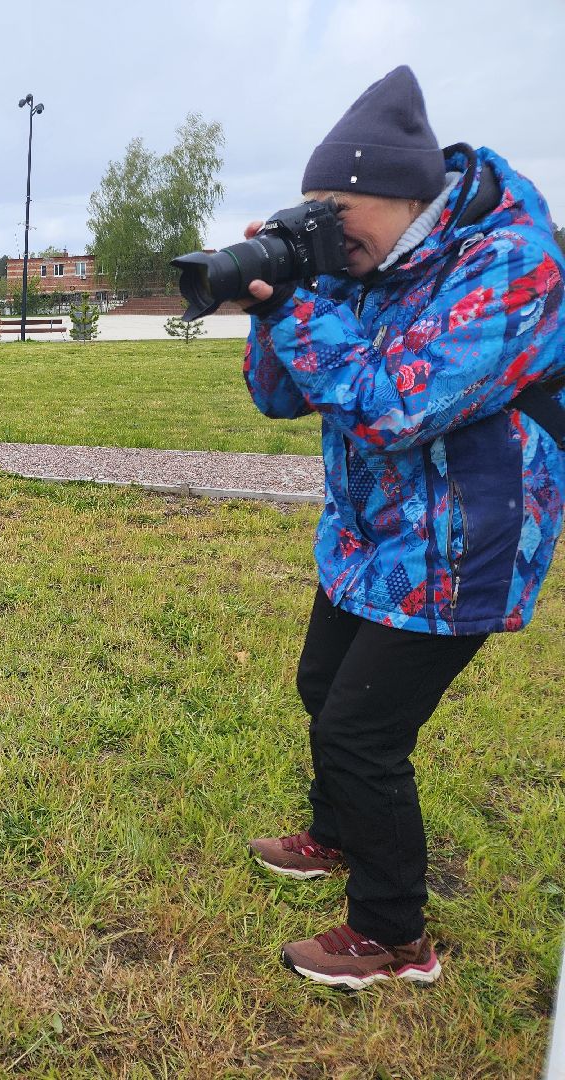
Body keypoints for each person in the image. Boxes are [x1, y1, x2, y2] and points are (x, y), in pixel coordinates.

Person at [241, 66, 565, 989]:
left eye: (333, 216)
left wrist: (299, 304)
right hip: (374, 534)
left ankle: (393, 937)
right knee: (322, 683)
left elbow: (391, 406)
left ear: (399, 196)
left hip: (466, 546)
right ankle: (338, 834)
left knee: (362, 733)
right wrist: (279, 295)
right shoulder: (369, 260)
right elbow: (278, 398)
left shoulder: (512, 266)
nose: (325, 235)